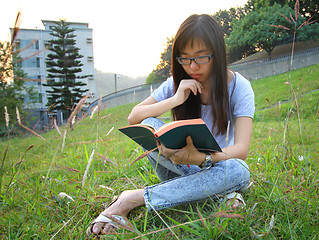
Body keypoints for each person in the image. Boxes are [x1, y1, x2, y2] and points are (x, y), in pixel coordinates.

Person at [87, 14, 255, 236]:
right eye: (184, 58)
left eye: (201, 57)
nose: (192, 66)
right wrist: (175, 99)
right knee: (148, 124)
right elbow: (134, 117)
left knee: (240, 170)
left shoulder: (239, 87)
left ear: (218, 53)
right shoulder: (177, 84)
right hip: (181, 164)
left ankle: (132, 198)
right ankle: (223, 195)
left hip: (220, 166)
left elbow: (241, 149)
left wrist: (202, 158)